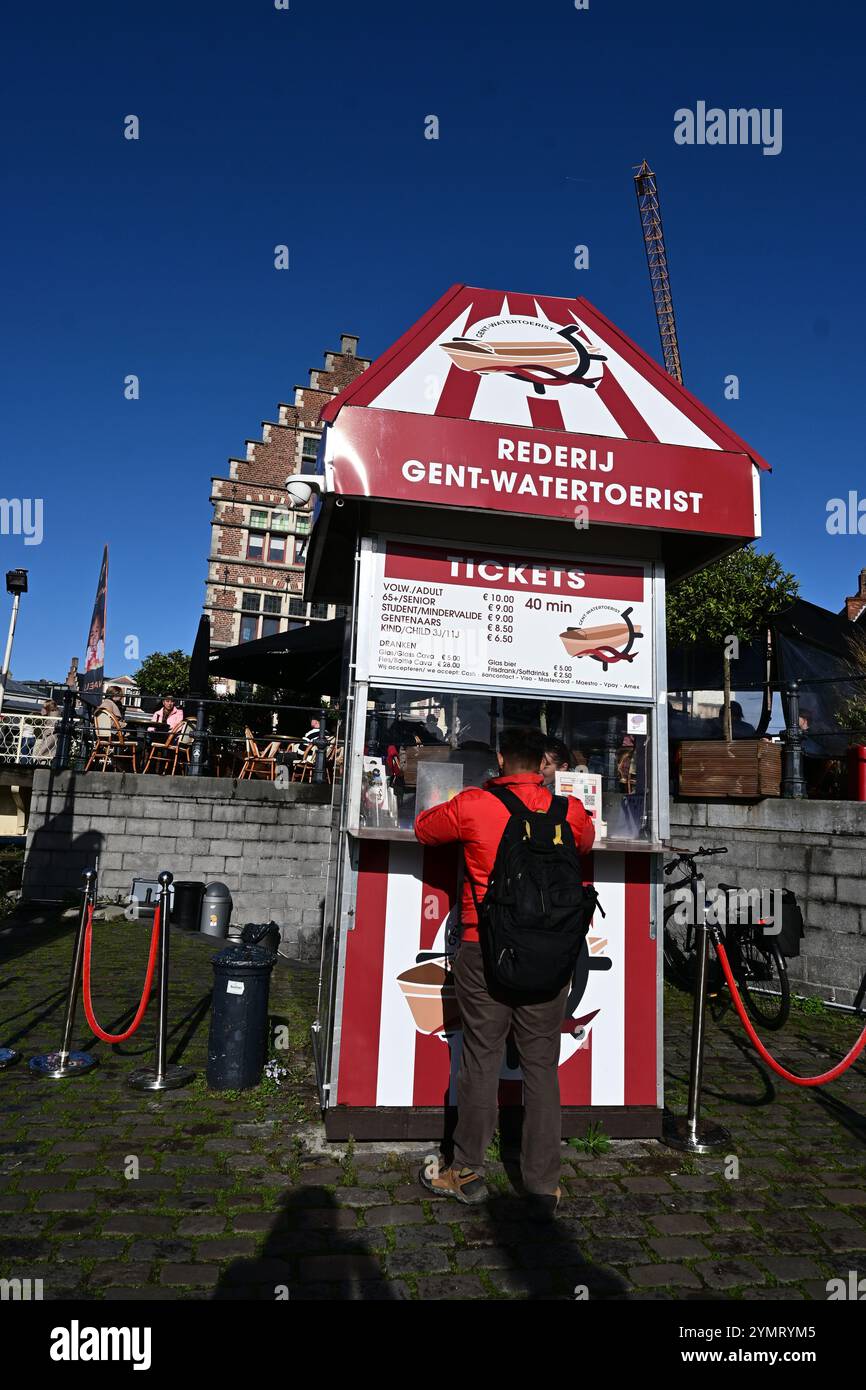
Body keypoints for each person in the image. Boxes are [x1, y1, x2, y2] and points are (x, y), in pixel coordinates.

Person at [414, 726, 595, 1216]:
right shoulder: (569, 812)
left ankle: (466, 1167)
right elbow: (587, 842)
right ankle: (542, 1185)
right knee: (541, 1066)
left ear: (499, 759)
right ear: (544, 764)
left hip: (483, 948)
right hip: (551, 956)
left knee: (480, 1058)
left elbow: (424, 829)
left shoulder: (474, 804)